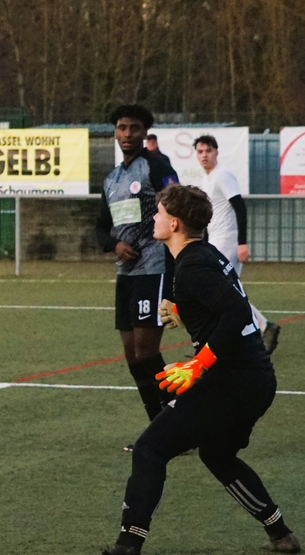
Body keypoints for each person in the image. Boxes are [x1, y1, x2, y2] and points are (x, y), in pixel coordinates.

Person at [79, 184, 299, 555]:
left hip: (233, 382)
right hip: (255, 380)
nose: (154, 218)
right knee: (217, 454)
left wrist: (199, 364)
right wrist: (184, 311)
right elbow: (225, 307)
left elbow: (236, 314)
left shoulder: (193, 265)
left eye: (160, 213)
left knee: (149, 449)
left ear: (175, 223)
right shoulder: (203, 254)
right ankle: (280, 533)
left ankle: (128, 551)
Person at [95, 105, 179, 433]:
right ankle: (159, 428)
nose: (127, 134)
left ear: (145, 133)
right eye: (121, 127)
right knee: (132, 356)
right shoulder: (112, 179)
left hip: (155, 269)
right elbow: (100, 228)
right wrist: (114, 245)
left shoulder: (156, 167)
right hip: (126, 274)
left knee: (146, 352)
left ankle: (180, 423)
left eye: (134, 128)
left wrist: (175, 279)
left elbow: (177, 211)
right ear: (115, 132)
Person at [194, 134, 280, 353]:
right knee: (227, 291)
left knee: (220, 289)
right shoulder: (207, 179)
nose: (204, 155)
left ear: (216, 152)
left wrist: (242, 243)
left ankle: (258, 328)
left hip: (227, 240)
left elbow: (239, 207)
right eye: (200, 151)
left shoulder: (222, 175)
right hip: (216, 240)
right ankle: (259, 329)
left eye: (208, 151)